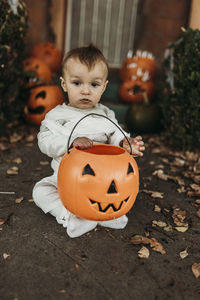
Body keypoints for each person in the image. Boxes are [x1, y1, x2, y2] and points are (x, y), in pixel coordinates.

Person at [32, 45, 145, 238]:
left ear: (104, 87)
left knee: (121, 186)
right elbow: (45, 141)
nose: (85, 91)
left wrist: (125, 142)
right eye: (77, 83)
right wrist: (71, 141)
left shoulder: (105, 114)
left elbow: (116, 132)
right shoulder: (56, 115)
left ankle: (109, 213)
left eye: (94, 85)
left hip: (102, 182)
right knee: (40, 191)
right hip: (65, 180)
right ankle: (70, 215)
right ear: (64, 84)